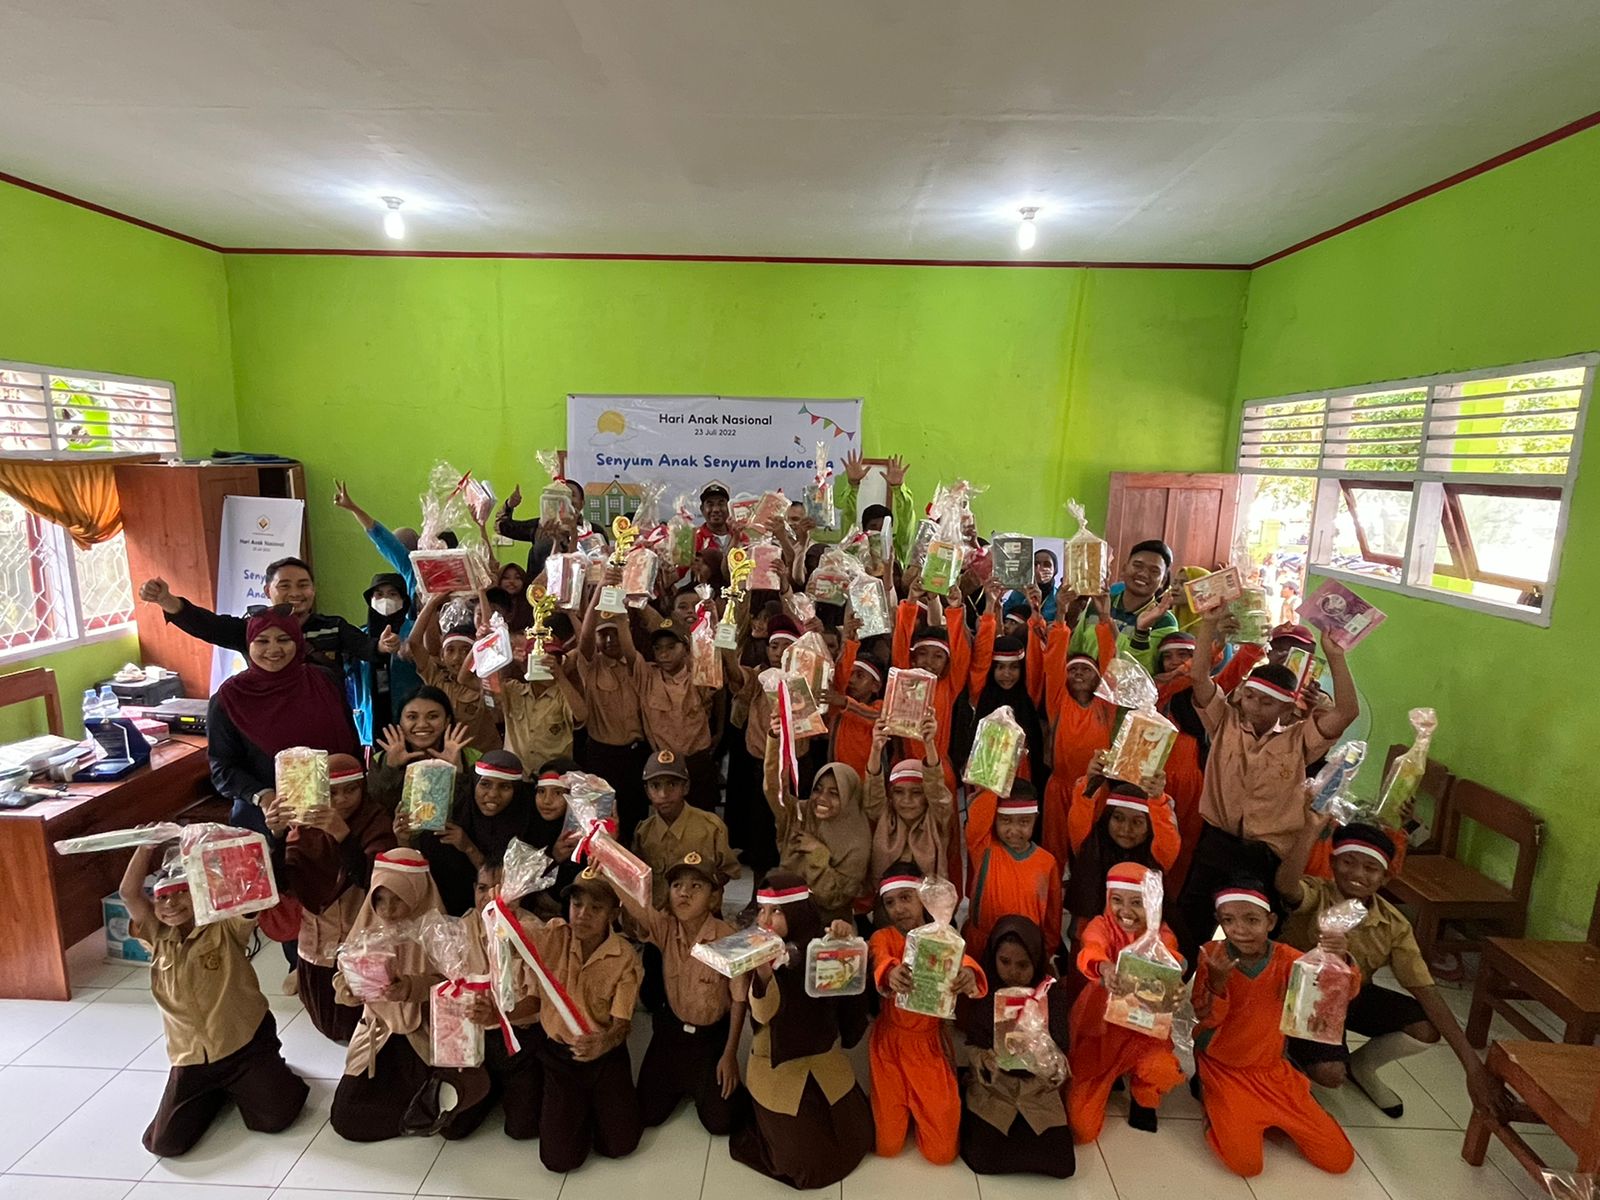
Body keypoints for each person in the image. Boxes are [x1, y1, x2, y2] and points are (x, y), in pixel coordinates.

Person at [1276, 819, 1506, 1121]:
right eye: (1348, 862)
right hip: (1296, 994)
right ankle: (1287, 1052)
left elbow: (1425, 990)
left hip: (1345, 998)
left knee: (1424, 1028)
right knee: (1329, 1074)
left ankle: (1362, 1067)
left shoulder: (1392, 924)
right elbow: (1286, 886)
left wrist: (1472, 1066)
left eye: (1371, 869)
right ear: (1333, 863)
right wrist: (1310, 829)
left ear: (1384, 877)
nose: (1358, 874)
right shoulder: (1317, 893)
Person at [1174, 615, 1359, 963]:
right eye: (1251, 697)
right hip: (1217, 841)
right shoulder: (1224, 721)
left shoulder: (1300, 739)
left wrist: (1335, 655)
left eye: (1268, 702)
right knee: (1189, 926)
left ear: (1287, 707)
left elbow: (1347, 711)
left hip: (1268, 853)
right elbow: (1199, 677)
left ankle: (1252, 999)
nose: (1256, 707)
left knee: (1259, 941)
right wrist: (1208, 626)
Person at [120, 844, 307, 1156]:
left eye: (181, 893)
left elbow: (250, 899)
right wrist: (146, 847)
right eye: (163, 897)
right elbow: (128, 894)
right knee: (165, 1144)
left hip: (242, 1044)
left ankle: (262, 1067)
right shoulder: (156, 935)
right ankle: (217, 1091)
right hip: (191, 1057)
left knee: (275, 1118)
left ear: (199, 894)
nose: (170, 904)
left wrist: (215, 853)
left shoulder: (224, 925)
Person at [1192, 881, 1357, 1178]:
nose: (1239, 929)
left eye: (1251, 919)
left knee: (1339, 1159)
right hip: (1224, 1067)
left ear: (1270, 922)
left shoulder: (1290, 959)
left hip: (1272, 1070)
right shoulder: (1212, 955)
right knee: (1247, 1165)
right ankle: (1212, 1101)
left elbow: (1338, 992)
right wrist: (1216, 983)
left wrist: (1339, 959)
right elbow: (1204, 1017)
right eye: (1228, 920)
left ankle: (1282, 1107)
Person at [330, 848, 491, 1141]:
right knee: (346, 1118)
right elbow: (343, 977)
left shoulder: (440, 933)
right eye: (379, 899)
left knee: (458, 1126)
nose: (387, 910)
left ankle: (429, 1107)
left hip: (428, 1034)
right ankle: (418, 1113)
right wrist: (351, 989)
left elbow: (455, 985)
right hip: (382, 1035)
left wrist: (413, 988)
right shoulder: (367, 926)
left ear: (417, 894)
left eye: (398, 899)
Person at [729, 872, 874, 1189]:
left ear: (796, 912)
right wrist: (764, 972)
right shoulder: (754, 951)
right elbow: (763, 1013)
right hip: (776, 1063)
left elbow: (849, 1001)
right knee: (805, 1165)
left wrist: (844, 948)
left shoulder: (818, 947)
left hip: (821, 1057)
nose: (766, 920)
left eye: (777, 911)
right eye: (762, 910)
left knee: (859, 1137)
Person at [518, 871, 644, 1173]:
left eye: (596, 908)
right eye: (577, 904)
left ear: (614, 914)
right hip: (559, 1058)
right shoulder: (554, 937)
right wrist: (504, 907)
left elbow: (622, 1024)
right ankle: (573, 1110)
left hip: (605, 1056)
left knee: (620, 1146)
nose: (583, 915)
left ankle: (594, 1108)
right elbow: (514, 935)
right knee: (558, 1160)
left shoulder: (625, 957)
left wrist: (604, 1043)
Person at [616, 851, 747, 1134]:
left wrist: (730, 1053)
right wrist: (605, 867)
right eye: (677, 886)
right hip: (671, 1033)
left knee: (720, 1123)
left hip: (711, 1039)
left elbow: (738, 1000)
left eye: (696, 886)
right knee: (647, 1114)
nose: (684, 893)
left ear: (714, 898)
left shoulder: (728, 939)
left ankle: (705, 1082)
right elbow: (636, 907)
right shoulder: (666, 927)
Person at [206, 608, 362, 839]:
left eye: (283, 639)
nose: (273, 649)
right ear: (249, 644)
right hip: (268, 819)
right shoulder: (228, 699)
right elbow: (222, 768)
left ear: (298, 641)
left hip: (338, 813)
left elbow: (351, 742)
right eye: (262, 641)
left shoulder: (324, 679)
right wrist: (264, 797)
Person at [274, 753, 398, 1042]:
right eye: (331, 792)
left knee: (360, 1017)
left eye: (351, 790)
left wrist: (343, 837)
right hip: (316, 938)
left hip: (361, 935)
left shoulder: (375, 820)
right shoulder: (302, 828)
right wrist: (277, 835)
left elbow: (377, 880)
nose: (342, 800)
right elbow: (282, 882)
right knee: (328, 1022)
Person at [869, 866, 987, 1164]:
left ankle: (922, 1105)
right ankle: (902, 1106)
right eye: (890, 902)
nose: (898, 909)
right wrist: (890, 973)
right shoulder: (883, 936)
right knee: (887, 1146)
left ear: (923, 898)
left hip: (929, 1046)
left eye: (906, 898)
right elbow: (879, 959)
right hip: (889, 1047)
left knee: (942, 1153)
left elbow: (966, 962)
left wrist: (968, 975)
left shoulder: (943, 936)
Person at [139, 560, 388, 699]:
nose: (295, 593)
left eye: (303, 585)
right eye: (285, 586)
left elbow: (366, 647)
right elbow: (207, 625)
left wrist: (384, 645)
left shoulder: (333, 627)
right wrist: (166, 600)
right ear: (267, 591)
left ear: (313, 589)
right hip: (269, 714)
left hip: (324, 714)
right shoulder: (250, 630)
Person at [1067, 863, 1185, 1140]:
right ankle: (1109, 1078)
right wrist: (1105, 968)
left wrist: (1175, 987)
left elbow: (1173, 959)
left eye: (1137, 903)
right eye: (1117, 901)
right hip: (1101, 1033)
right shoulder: (1100, 925)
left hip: (1144, 1036)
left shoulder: (1162, 936)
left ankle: (1144, 1094)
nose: (1126, 911)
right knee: (1081, 1128)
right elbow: (1091, 948)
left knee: (1162, 1068)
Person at [956, 915, 1074, 1178]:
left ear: (1036, 961)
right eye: (1005, 962)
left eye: (1023, 964)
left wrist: (1049, 1059)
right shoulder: (986, 989)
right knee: (984, 1159)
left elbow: (1062, 1046)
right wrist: (984, 1060)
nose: (1013, 972)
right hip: (996, 1086)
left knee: (1061, 1164)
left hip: (1038, 1088)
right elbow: (974, 1041)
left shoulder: (1049, 992)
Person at [452, 861, 545, 1140]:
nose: (489, 896)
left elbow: (539, 1001)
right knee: (452, 1129)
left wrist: (498, 1014)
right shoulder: (461, 928)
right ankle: (488, 1087)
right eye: (482, 888)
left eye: (500, 889)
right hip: (476, 1040)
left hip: (521, 1038)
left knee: (522, 1129)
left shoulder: (531, 931)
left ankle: (514, 1085)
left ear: (517, 892)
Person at [397, 749, 531, 916]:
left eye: (504, 787)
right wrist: (404, 840)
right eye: (485, 784)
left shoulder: (525, 824)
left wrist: (468, 848)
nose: (493, 794)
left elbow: (506, 888)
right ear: (474, 783)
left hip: (497, 917)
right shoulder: (450, 814)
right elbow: (422, 872)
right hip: (441, 915)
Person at [613, 610, 721, 811]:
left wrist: (710, 618)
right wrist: (621, 617)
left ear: (686, 649)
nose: (664, 653)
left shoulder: (699, 675)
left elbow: (710, 651)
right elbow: (629, 652)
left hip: (697, 763)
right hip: (663, 765)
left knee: (703, 823)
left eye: (671, 647)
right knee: (665, 821)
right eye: (658, 648)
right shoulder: (647, 676)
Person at [1039, 601, 1117, 871]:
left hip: (1096, 789)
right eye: (1073, 670)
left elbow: (1109, 659)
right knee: (1055, 853)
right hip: (1060, 789)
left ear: (1098, 678)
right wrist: (1060, 614)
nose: (1079, 673)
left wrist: (1105, 617)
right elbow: (1054, 662)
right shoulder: (1058, 701)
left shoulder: (1106, 705)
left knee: (1090, 854)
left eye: (1086, 670)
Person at [574, 587, 651, 846]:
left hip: (635, 756)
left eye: (614, 633)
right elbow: (584, 636)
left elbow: (627, 644)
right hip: (601, 756)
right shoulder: (590, 666)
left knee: (635, 822)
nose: (609, 640)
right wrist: (600, 587)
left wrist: (619, 611)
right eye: (603, 634)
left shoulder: (635, 664)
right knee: (602, 822)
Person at [762, 745, 872, 927]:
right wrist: (775, 740)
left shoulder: (857, 839)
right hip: (783, 918)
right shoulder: (799, 814)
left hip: (829, 927)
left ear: (848, 797)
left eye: (834, 793)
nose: (821, 798)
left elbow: (833, 899)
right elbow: (774, 788)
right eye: (817, 789)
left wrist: (818, 852)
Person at [1064, 769, 1180, 939]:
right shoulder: (1090, 845)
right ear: (1107, 818)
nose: (1126, 829)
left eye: (1137, 822)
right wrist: (1091, 779)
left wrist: (1157, 800)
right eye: (1118, 818)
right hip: (1088, 939)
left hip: (1139, 941)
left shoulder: (1158, 856)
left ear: (1150, 826)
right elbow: (1081, 809)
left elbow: (1167, 834)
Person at [631, 749, 740, 911]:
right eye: (655, 786)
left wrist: (702, 886)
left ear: (686, 787)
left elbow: (727, 870)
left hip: (701, 918)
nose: (663, 794)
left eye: (672, 785)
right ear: (647, 791)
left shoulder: (710, 827)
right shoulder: (643, 832)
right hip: (659, 920)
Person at [963, 784, 1062, 960]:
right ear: (994, 818)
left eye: (1024, 822)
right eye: (1005, 820)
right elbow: (980, 812)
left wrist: (1046, 951)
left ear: (1035, 819)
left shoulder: (1047, 862)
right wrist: (995, 782)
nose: (1014, 831)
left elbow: (1052, 917)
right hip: (982, 947)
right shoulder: (984, 848)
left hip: (1026, 953)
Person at [863, 712, 953, 888]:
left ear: (926, 795)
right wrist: (875, 748)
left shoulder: (936, 818)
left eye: (916, 793)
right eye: (898, 792)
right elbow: (873, 789)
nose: (906, 800)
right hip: (888, 904)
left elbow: (936, 788)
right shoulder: (885, 817)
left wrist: (929, 743)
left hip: (930, 906)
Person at [406, 594, 501, 753]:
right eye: (450, 650)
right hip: (444, 758)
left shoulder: (483, 682)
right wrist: (432, 603)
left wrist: (482, 592)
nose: (457, 657)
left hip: (482, 760)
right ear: (442, 656)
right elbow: (414, 643)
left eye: (466, 650)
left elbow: (488, 634)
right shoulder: (436, 679)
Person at [367, 686, 479, 814]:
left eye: (433, 716)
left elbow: (477, 810)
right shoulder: (381, 759)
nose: (422, 724)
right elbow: (377, 809)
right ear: (400, 722)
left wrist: (458, 772)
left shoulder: (472, 758)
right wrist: (391, 769)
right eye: (412, 717)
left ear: (447, 721)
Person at [1106, 539, 1179, 672]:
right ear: (1124, 569)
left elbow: (1145, 671)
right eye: (1138, 566)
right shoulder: (1101, 603)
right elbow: (1076, 649)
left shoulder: (1165, 621)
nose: (1144, 574)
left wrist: (1142, 630)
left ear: (1163, 581)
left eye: (1154, 571)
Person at [695, 481, 736, 554]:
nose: (716, 509)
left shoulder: (739, 536)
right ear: (702, 509)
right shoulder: (695, 540)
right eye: (710, 504)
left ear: (728, 507)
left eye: (721, 504)